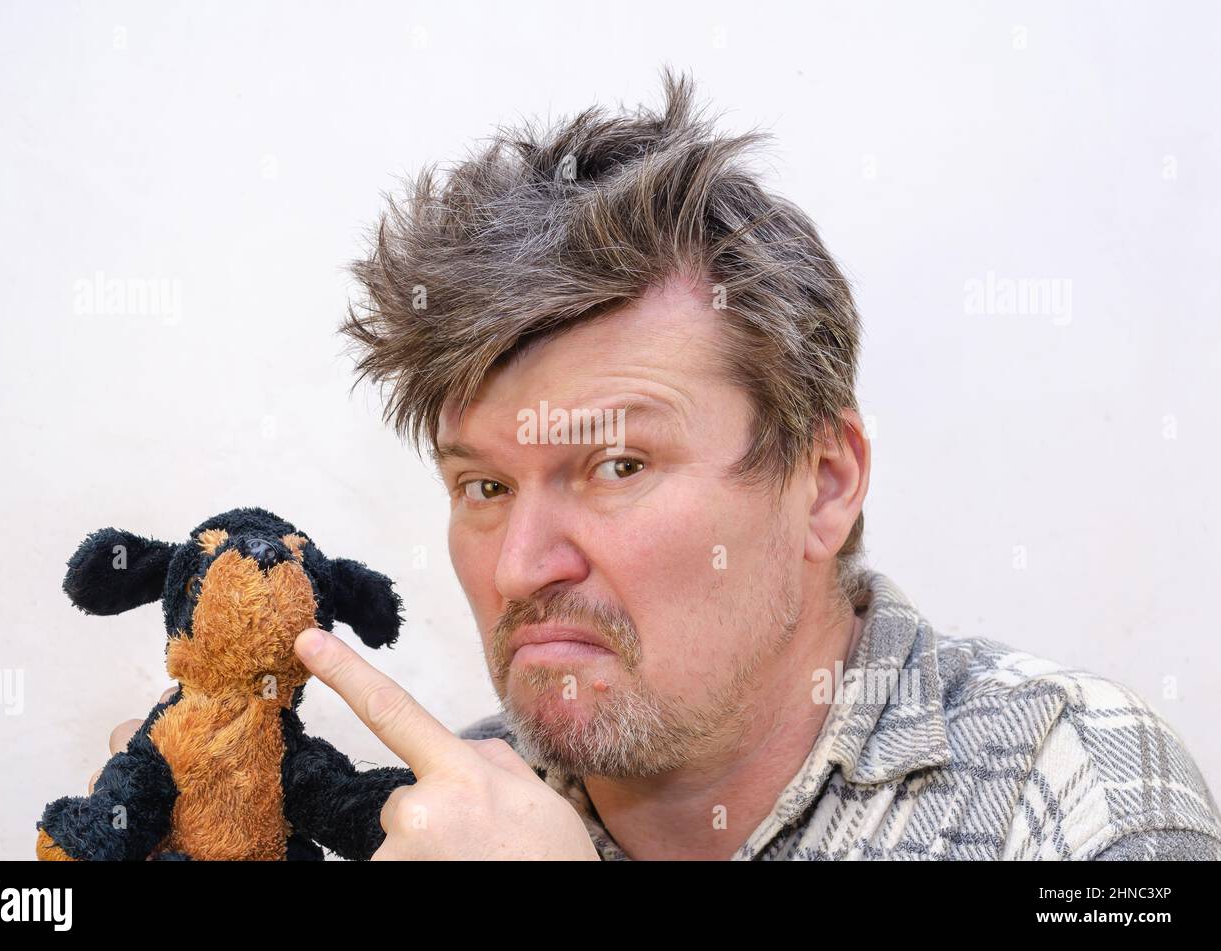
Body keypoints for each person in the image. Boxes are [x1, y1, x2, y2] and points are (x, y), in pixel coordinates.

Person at [99, 68, 1221, 860]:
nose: (522, 566)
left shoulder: (1073, 788)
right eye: (482, 487)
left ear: (822, 482)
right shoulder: (444, 816)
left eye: (617, 466)